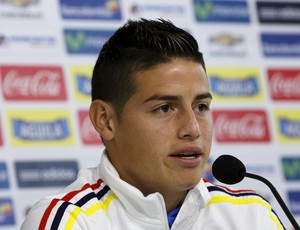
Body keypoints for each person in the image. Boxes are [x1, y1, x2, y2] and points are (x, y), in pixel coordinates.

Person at [21, 18, 284, 230]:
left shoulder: (253, 216)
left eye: (201, 107)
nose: (192, 129)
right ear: (105, 120)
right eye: (165, 108)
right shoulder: (69, 221)